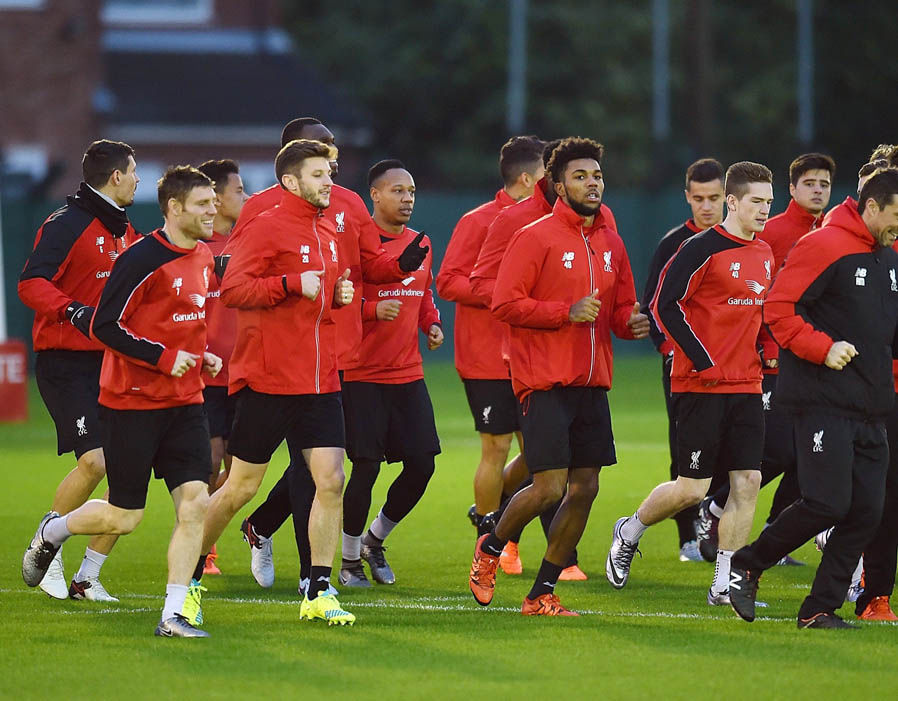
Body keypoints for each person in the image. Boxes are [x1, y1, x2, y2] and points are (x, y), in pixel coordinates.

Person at [22, 166, 221, 638]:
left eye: (214, 201)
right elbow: (104, 326)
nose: (213, 210)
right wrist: (163, 356)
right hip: (131, 403)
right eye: (203, 203)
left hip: (186, 402)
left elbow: (183, 322)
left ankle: (173, 614)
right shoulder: (140, 256)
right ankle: (53, 531)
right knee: (125, 515)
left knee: (195, 503)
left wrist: (201, 355)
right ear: (174, 209)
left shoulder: (206, 256)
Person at [230, 117, 423, 595]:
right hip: (277, 360)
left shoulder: (348, 203)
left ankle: (305, 569)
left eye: (333, 147)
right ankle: (282, 565)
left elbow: (366, 260)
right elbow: (233, 275)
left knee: (325, 473)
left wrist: (397, 264)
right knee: (279, 475)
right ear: (293, 161)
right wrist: (289, 284)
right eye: (321, 149)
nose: (332, 155)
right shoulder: (262, 208)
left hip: (336, 352)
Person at [468, 137, 648, 616]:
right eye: (580, 177)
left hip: (592, 384)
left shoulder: (610, 240)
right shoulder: (534, 236)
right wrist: (562, 312)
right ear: (557, 185)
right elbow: (505, 303)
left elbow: (619, 309)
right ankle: (490, 548)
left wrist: (632, 322)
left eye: (597, 176)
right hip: (544, 380)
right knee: (548, 487)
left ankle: (541, 593)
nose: (592, 184)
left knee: (586, 487)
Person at [728, 167, 898, 629]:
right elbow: (778, 309)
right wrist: (824, 348)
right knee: (828, 502)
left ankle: (819, 607)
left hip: (872, 406)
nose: (897, 226)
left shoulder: (887, 257)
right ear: (873, 205)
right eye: (895, 215)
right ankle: (748, 563)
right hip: (822, 401)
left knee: (868, 510)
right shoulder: (823, 244)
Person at [199, 139, 357, 626]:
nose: (328, 181)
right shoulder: (265, 226)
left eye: (329, 173)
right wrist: (292, 284)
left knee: (332, 479)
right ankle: (186, 575)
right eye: (317, 174)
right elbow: (233, 290)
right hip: (267, 381)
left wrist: (338, 294)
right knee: (240, 488)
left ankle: (320, 589)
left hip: (320, 381)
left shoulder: (328, 229)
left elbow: (316, 299)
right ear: (291, 181)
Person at [607, 162, 775, 607]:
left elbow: (760, 315)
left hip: (746, 385)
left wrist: (766, 356)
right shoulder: (699, 249)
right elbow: (664, 305)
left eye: (769, 202)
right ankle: (631, 529)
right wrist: (703, 361)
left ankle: (724, 582)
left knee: (748, 481)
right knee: (692, 489)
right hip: (699, 386)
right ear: (733, 202)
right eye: (756, 201)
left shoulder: (765, 253)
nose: (764, 210)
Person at [695, 153, 835, 566]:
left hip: (814, 354)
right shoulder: (771, 231)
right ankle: (715, 507)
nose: (818, 190)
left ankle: (776, 535)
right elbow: (765, 300)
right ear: (791, 189)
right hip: (772, 358)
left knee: (805, 450)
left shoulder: (829, 232)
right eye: (809, 183)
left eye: (825, 184)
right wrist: (767, 349)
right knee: (775, 449)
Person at [18, 139, 141, 602]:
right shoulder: (66, 223)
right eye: (133, 172)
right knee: (97, 460)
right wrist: (70, 311)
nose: (138, 180)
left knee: (128, 470)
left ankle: (88, 577)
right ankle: (47, 547)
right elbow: (31, 282)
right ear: (115, 177)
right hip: (65, 363)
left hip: (113, 363)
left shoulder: (126, 231)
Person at [339, 160, 443, 586]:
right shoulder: (355, 244)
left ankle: (374, 539)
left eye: (412, 191)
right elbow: (338, 301)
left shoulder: (421, 242)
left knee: (422, 465)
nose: (407, 199)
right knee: (365, 467)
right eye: (397, 191)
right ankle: (348, 561)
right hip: (361, 373)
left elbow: (424, 291)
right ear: (374, 196)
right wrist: (371, 309)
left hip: (407, 373)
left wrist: (431, 323)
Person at [436, 136, 543, 540]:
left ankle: (493, 511)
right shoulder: (478, 220)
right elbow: (447, 281)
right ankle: (489, 539)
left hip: (533, 356)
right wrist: (504, 293)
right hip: (485, 358)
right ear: (529, 178)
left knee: (539, 454)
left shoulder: (550, 223)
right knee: (495, 448)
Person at [640, 158, 725, 562]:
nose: (707, 206)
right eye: (699, 198)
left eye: (715, 197)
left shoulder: (744, 241)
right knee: (685, 451)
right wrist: (670, 349)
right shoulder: (673, 244)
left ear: (729, 196)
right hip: (683, 369)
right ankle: (687, 537)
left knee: (737, 453)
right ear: (687, 197)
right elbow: (654, 306)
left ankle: (718, 531)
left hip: (733, 369)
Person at [195, 159, 249, 575]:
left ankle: (224, 535)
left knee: (239, 470)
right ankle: (202, 549)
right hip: (207, 375)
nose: (245, 198)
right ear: (215, 198)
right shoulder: (194, 249)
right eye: (239, 191)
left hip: (245, 372)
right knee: (210, 460)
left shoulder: (248, 243)